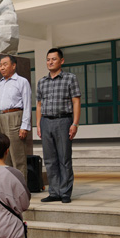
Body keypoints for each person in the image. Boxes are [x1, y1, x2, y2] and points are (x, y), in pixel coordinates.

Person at [36, 47, 82, 204]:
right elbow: (39, 105)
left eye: (53, 59)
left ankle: (65, 192)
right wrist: (38, 124)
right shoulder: (42, 81)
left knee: (64, 158)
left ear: (61, 61)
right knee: (49, 159)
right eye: (48, 59)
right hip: (46, 122)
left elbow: (76, 101)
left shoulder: (70, 78)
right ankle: (54, 191)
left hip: (64, 121)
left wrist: (75, 123)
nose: (50, 62)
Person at [0, 55, 32, 180]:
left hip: (14, 117)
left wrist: (24, 126)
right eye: (0, 65)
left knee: (17, 155)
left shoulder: (21, 81)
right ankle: (6, 186)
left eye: (5, 64)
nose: (2, 67)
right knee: (2, 155)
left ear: (13, 66)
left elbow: (27, 104)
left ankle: (21, 188)